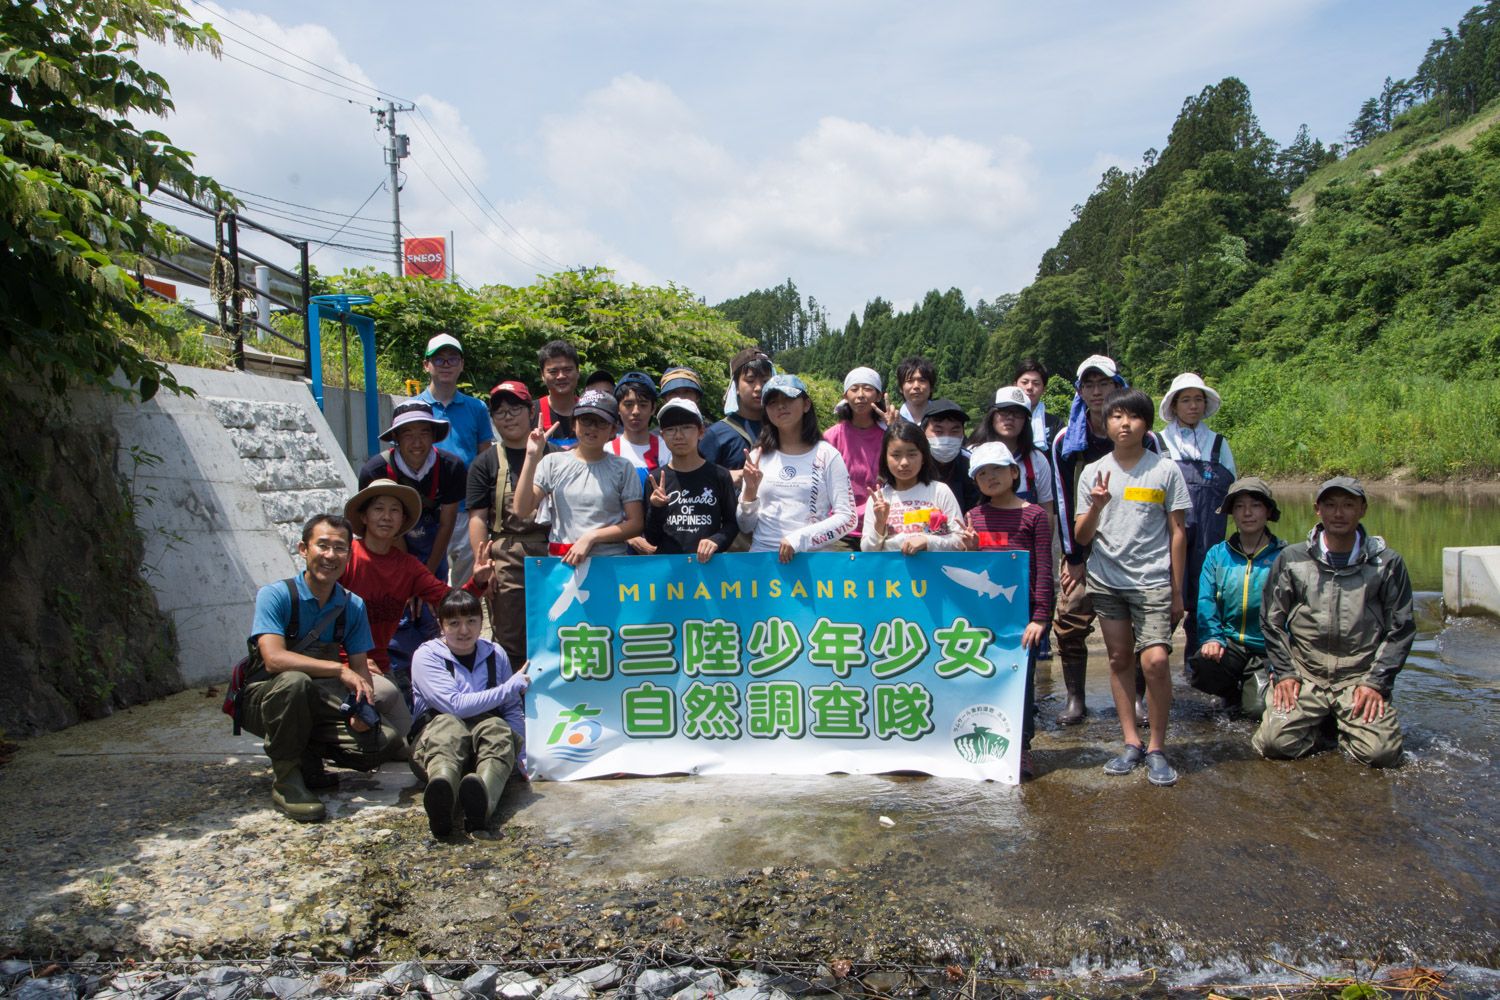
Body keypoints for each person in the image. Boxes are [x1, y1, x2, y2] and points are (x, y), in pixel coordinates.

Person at [240, 514, 402, 822]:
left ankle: (308, 757)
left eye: (340, 548)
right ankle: (287, 779)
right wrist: (337, 670)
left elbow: (361, 672)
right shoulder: (276, 595)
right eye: (322, 546)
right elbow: (274, 658)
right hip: (266, 699)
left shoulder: (352, 606)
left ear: (349, 555)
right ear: (303, 549)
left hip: (317, 702)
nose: (330, 556)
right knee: (295, 682)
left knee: (383, 742)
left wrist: (361, 711)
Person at [1253, 478, 1414, 768]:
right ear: (1318, 509)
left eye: (1348, 505)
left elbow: (1401, 628)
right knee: (1273, 744)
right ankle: (1318, 724)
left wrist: (1377, 683)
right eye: (1330, 505)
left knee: (1382, 755)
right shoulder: (1292, 559)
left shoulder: (1387, 564)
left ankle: (1342, 723)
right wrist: (1286, 672)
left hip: (1358, 675)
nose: (1338, 513)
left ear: (1362, 509)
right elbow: (1270, 620)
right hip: (1307, 673)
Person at [1073, 387, 1190, 786]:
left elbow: (1178, 532)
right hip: (1108, 581)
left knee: (1154, 661)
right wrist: (1097, 506)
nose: (1125, 424)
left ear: (1146, 424)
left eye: (1133, 417)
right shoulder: (1093, 472)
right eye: (1116, 417)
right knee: (1120, 659)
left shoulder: (1165, 470)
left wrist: (1177, 591)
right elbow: (1081, 535)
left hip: (1154, 580)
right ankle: (1131, 742)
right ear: (1105, 425)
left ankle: (1157, 746)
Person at [1050, 354, 1159, 726]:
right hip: (1087, 545)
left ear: (1118, 387)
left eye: (1104, 385)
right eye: (1089, 385)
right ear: (1080, 392)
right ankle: (1076, 698)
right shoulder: (1067, 441)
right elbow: (1064, 503)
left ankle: (1139, 698)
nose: (1097, 392)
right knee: (1069, 619)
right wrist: (1073, 557)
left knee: (1140, 624)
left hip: (1136, 547)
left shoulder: (1149, 440)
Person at [959, 442, 1054, 779]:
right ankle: (985, 741)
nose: (990, 477)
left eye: (997, 469)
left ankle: (1022, 747)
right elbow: (968, 573)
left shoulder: (1034, 515)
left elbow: (1044, 567)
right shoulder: (972, 516)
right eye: (982, 473)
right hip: (983, 619)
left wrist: (1041, 617)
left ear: (1014, 472)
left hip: (1021, 619)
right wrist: (968, 552)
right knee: (983, 679)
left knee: (1020, 683)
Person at [358, 400, 467, 676]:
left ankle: (437, 673)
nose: (416, 442)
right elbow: (383, 525)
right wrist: (408, 579)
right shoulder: (376, 470)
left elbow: (447, 522)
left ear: (434, 435)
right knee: (399, 614)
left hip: (434, 547)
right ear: (395, 438)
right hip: (392, 546)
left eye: (423, 433)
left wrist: (424, 576)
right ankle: (397, 677)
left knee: (434, 610)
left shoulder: (451, 466)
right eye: (408, 433)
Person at [410, 589, 529, 836]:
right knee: (449, 726)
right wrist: (508, 688)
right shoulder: (426, 656)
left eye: (471, 621)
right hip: (436, 740)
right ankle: (443, 791)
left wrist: (522, 755)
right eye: (454, 623)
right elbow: (454, 705)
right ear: (441, 625)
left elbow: (512, 709)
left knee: (498, 728)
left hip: (483, 744)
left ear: (481, 623)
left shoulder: (496, 653)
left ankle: (482, 800)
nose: (464, 630)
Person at [339, 479, 450, 727]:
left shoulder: (407, 566)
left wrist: (479, 581)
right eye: (378, 509)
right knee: (373, 724)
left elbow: (449, 599)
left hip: (380, 666)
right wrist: (347, 661)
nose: (386, 517)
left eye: (394, 510)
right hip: (338, 662)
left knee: (403, 742)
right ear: (365, 517)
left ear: (402, 521)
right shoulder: (346, 557)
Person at [467, 381, 555, 667]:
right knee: (510, 636)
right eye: (500, 411)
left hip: (554, 551)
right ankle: (512, 700)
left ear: (531, 410)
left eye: (515, 408)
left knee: (559, 629)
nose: (508, 416)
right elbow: (478, 517)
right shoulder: (485, 462)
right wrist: (484, 564)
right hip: (506, 554)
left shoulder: (556, 455)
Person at [1189, 477, 1285, 719]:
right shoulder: (1217, 555)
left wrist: (1282, 662)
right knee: (1203, 663)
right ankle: (1229, 691)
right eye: (1240, 506)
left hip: (1266, 649)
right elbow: (1206, 600)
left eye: (1255, 505)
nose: (1247, 513)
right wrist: (1212, 636)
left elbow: (1294, 613)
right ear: (1232, 512)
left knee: (1256, 711)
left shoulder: (1286, 557)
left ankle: (1253, 688)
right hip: (1230, 644)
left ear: (1268, 511)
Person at [514, 389, 644, 565]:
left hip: (610, 565)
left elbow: (636, 523)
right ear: (574, 424)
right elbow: (521, 510)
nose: (592, 428)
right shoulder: (552, 462)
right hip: (563, 564)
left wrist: (592, 537)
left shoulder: (623, 467)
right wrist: (531, 456)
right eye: (586, 420)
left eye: (601, 422)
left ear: (613, 429)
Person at [1159, 372, 1236, 665]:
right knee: (1168, 596)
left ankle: (1197, 666)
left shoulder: (1219, 444)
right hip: (1169, 532)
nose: (1193, 406)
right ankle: (1155, 666)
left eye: (1198, 400)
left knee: (1205, 597)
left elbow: (1233, 491)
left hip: (1210, 532)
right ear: (1174, 405)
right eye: (1186, 400)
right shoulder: (1159, 442)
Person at [738, 373, 856, 561]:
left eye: (789, 399)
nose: (781, 406)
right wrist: (750, 493)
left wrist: (800, 539)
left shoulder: (827, 455)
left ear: (806, 404)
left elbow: (848, 518)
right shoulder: (757, 457)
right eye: (773, 402)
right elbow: (745, 526)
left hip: (814, 563)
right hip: (764, 563)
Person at [415, 334, 493, 586]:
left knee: (464, 581)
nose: (446, 365)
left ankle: (460, 626)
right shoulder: (413, 408)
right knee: (425, 575)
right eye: (439, 359)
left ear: (461, 364)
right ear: (426, 365)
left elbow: (484, 456)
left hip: (467, 509)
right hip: (426, 510)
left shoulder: (477, 408)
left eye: (452, 359)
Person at [644, 398, 739, 561]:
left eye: (687, 427)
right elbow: (652, 538)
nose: (679, 435)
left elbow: (733, 523)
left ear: (701, 432)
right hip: (669, 571)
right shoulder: (656, 479)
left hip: (709, 567)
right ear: (662, 435)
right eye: (671, 429)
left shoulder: (719, 475)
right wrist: (656, 508)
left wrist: (716, 541)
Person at [860, 421, 963, 553]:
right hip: (892, 573)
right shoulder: (878, 500)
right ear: (885, 458)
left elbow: (960, 541)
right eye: (896, 455)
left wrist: (927, 541)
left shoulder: (940, 491)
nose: (904, 463)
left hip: (932, 572)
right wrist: (879, 524)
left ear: (924, 457)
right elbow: (867, 551)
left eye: (912, 454)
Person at [824, 366, 888, 549]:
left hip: (880, 524)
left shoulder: (889, 436)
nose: (861, 395)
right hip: (840, 529)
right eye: (854, 389)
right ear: (845, 395)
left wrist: (895, 428)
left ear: (878, 395)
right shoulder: (832, 436)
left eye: (868, 388)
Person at [701, 347, 772, 476]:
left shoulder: (781, 428)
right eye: (750, 381)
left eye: (765, 381)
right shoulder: (716, 434)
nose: (759, 388)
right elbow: (699, 477)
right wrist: (730, 477)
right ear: (736, 386)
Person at [608, 370, 666, 498]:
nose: (636, 411)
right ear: (617, 408)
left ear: (653, 409)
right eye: (628, 405)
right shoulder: (607, 451)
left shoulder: (666, 450)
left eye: (643, 405)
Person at [921, 400, 982, 513]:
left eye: (954, 431)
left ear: (963, 434)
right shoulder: (914, 464)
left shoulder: (973, 464)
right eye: (938, 431)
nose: (947, 438)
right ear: (923, 432)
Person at [534, 340, 581, 450]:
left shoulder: (591, 411)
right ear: (542, 375)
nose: (561, 376)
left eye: (567, 370)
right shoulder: (530, 413)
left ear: (578, 372)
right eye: (553, 371)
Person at [1015, 358, 1061, 454]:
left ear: (1044, 389)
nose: (1029, 387)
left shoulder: (1055, 424)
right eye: (1024, 382)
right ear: (1015, 385)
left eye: (1036, 384)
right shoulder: (1003, 420)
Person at [896, 356, 936, 424]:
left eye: (922, 380)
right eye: (910, 381)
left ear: (931, 387)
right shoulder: (895, 420)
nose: (916, 386)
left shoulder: (942, 419)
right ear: (901, 388)